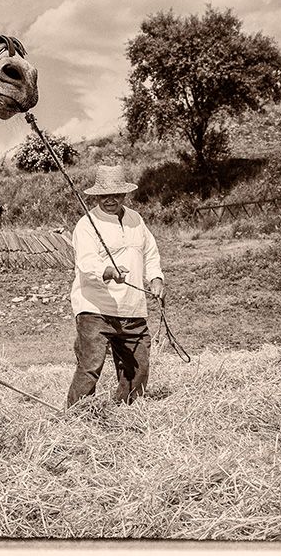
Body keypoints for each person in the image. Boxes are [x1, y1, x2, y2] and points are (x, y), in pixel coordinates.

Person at [66, 164, 165, 407]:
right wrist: (108, 272)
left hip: (132, 307)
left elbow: (150, 252)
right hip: (95, 307)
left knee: (138, 366)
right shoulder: (86, 224)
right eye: (104, 195)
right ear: (96, 196)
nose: (110, 200)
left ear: (125, 194)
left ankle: (125, 411)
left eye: (116, 195)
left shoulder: (136, 220)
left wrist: (156, 278)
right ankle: (75, 417)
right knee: (90, 366)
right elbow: (86, 263)